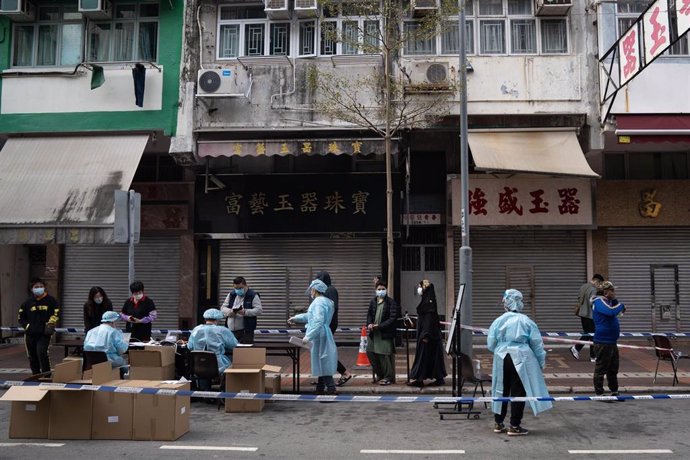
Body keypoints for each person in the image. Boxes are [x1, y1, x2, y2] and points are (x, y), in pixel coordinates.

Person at [488, 289, 552, 436]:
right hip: (521, 358)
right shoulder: (526, 321)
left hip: (502, 357)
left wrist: (500, 349)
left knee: (500, 389)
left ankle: (498, 423)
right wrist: (541, 362)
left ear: (506, 302)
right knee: (518, 391)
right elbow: (537, 344)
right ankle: (515, 425)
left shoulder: (498, 320)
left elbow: (491, 343)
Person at [288, 279, 338, 395]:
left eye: (311, 289)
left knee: (323, 361)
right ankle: (320, 388)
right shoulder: (326, 301)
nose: (310, 291)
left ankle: (331, 388)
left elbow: (317, 321)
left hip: (319, 334)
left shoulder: (318, 302)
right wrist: (296, 318)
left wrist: (308, 336)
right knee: (322, 361)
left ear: (315, 289)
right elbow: (310, 316)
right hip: (323, 333)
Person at [315, 270, 353, 387]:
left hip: (328, 325)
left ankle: (343, 373)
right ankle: (322, 383)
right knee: (323, 353)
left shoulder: (329, 290)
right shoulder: (326, 290)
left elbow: (330, 308)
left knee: (325, 354)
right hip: (327, 325)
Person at [408, 280, 447, 387]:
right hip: (431, 336)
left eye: (420, 286)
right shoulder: (428, 302)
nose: (419, 289)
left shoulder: (428, 304)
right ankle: (438, 378)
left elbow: (429, 321)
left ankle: (419, 379)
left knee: (423, 358)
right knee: (432, 358)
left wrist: (425, 335)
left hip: (427, 336)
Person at [18, 278, 60, 375]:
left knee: (41, 353)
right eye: (36, 287)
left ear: (44, 287)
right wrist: (27, 327)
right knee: (32, 356)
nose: (39, 288)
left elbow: (56, 313)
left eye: (41, 286)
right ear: (31, 289)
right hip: (30, 334)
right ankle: (35, 375)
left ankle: (46, 374)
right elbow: (21, 317)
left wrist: (50, 324)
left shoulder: (51, 300)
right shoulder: (27, 303)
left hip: (44, 334)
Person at [592, 281, 626, 398]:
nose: (614, 292)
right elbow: (611, 312)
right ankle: (599, 392)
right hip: (602, 341)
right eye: (612, 290)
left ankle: (614, 391)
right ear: (606, 292)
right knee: (601, 368)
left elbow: (618, 312)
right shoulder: (598, 301)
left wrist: (615, 301)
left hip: (612, 341)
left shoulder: (609, 302)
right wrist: (621, 305)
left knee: (613, 368)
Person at [366, 281, 399, 386]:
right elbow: (369, 314)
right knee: (370, 352)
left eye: (383, 289)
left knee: (384, 355)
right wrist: (370, 323)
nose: (381, 291)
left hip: (385, 333)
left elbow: (392, 318)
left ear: (386, 290)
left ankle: (388, 377)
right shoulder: (373, 302)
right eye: (379, 289)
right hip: (373, 333)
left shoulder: (391, 302)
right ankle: (379, 374)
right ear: (375, 290)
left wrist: (380, 326)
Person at [187, 308, 239, 376]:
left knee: (202, 375)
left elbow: (190, 346)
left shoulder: (196, 329)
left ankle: (203, 386)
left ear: (205, 319)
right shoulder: (222, 330)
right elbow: (234, 345)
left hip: (199, 365)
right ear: (217, 319)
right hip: (218, 366)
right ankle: (223, 385)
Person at [570, 274, 604, 362]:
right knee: (591, 334)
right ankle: (576, 348)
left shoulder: (583, 286)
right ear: (596, 281)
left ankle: (592, 356)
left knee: (589, 334)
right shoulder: (593, 289)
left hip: (582, 314)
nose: (599, 285)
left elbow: (579, 298)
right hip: (590, 315)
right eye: (599, 283)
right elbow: (592, 303)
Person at [220, 276, 262, 344]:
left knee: (244, 352)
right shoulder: (231, 295)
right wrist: (229, 312)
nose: (238, 290)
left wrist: (245, 312)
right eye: (236, 288)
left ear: (246, 286)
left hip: (246, 331)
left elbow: (259, 310)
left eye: (240, 288)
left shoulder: (253, 295)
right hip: (230, 330)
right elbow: (223, 308)